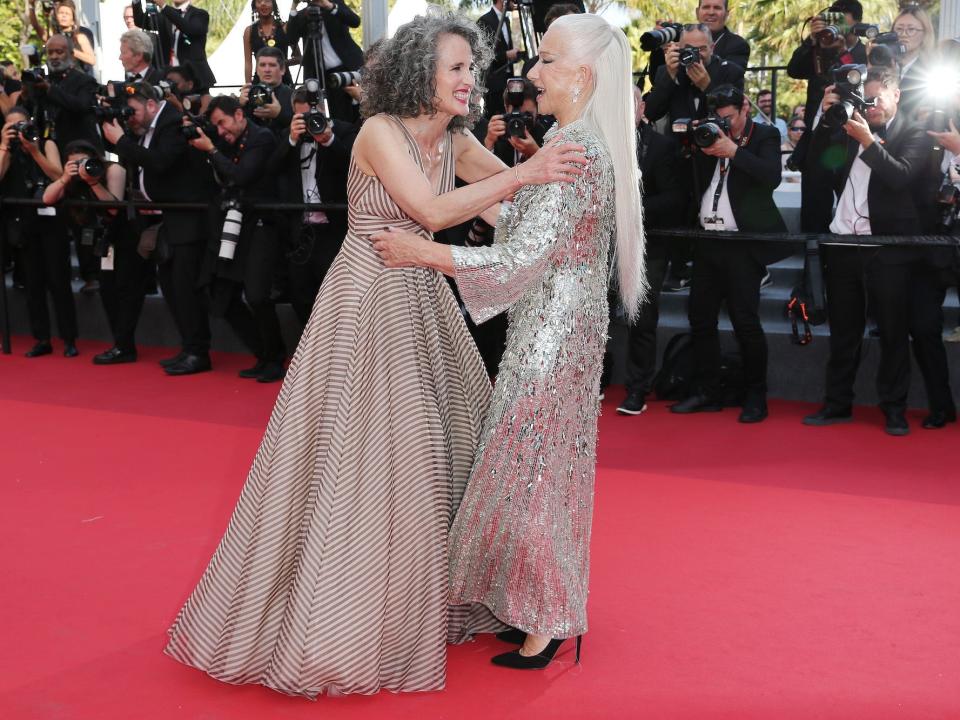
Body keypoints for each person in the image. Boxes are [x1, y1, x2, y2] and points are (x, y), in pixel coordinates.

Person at [164, 11, 585, 696]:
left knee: (454, 446)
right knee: (371, 456)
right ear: (420, 71)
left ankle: (452, 594)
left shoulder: (453, 136)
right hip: (367, 299)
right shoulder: (379, 132)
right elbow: (432, 210)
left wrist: (558, 211)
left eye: (470, 69)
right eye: (456, 68)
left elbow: (502, 208)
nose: (468, 80)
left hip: (424, 296)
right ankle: (351, 615)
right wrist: (524, 175)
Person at [372, 12, 643, 669]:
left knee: (534, 472)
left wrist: (422, 252)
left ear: (583, 74)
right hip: (555, 328)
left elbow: (516, 261)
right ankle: (533, 604)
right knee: (529, 468)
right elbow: (524, 223)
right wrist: (494, 180)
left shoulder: (575, 152)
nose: (532, 73)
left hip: (552, 336)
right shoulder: (572, 140)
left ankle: (546, 619)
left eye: (547, 61)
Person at [802, 69, 929, 436]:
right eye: (864, 100)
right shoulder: (846, 130)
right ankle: (837, 403)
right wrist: (825, 122)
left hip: (888, 249)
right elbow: (814, 170)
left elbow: (901, 175)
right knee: (844, 332)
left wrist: (869, 141)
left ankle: (894, 409)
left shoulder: (913, 133)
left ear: (896, 96)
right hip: (843, 246)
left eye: (875, 100)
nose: (869, 107)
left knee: (892, 332)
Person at [668, 84, 787, 423]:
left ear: (744, 107)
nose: (723, 125)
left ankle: (755, 395)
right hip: (708, 240)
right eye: (718, 119)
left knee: (745, 322)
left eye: (729, 118)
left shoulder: (764, 135)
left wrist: (732, 150)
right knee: (700, 319)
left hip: (742, 243)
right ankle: (708, 391)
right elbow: (690, 180)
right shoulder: (708, 132)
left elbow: (771, 177)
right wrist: (695, 144)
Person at [101, 82, 217, 375]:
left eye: (135, 111)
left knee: (185, 288)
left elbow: (161, 162)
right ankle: (189, 347)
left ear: (152, 105)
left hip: (189, 218)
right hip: (168, 219)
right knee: (170, 286)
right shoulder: (148, 128)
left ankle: (198, 352)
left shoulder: (173, 124)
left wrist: (121, 142)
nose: (131, 117)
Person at [615, 86, 685, 416]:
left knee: (641, 318)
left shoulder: (662, 146)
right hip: (602, 244)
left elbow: (675, 198)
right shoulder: (599, 144)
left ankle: (637, 389)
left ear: (642, 107)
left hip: (648, 246)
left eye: (630, 104)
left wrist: (632, 207)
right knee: (594, 314)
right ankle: (594, 383)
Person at [270, 85, 355, 328]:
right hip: (300, 231)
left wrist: (329, 140)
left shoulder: (345, 131)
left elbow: (355, 167)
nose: (309, 123)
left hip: (335, 230)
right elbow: (271, 169)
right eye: (302, 118)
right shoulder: (287, 136)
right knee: (301, 296)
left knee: (337, 299)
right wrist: (291, 139)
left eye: (313, 116)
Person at [0, 107, 76, 358]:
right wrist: (4, 147)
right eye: (12, 127)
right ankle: (42, 338)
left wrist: (34, 151)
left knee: (59, 282)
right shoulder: (5, 150)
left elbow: (59, 175)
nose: (18, 131)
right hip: (23, 223)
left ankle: (69, 338)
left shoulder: (46, 143)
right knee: (33, 284)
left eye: (21, 125)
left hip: (51, 222)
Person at [286, 0, 363, 121]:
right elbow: (290, 38)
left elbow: (355, 21)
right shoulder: (304, 14)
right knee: (332, 115)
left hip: (345, 67)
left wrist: (328, 5)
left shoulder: (334, 4)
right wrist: (294, 5)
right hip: (320, 73)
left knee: (353, 111)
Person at [132, 0, 217, 91]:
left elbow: (190, 29)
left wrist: (163, 6)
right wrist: (136, 2)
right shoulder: (165, 15)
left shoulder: (200, 14)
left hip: (194, 76)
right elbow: (141, 21)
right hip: (169, 76)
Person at [886, 5, 936, 122]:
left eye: (911, 29)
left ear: (925, 34)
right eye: (899, 29)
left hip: (914, 133)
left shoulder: (931, 69)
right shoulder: (883, 64)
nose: (904, 34)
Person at [478, 0, 522, 117]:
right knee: (496, 117)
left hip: (508, 78)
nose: (515, 2)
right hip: (494, 81)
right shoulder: (484, 20)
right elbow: (484, 55)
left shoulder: (506, 20)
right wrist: (506, 55)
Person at [30, 0, 97, 74]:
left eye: (67, 14)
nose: (64, 16)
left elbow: (92, 60)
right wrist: (31, 6)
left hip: (76, 78)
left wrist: (72, 51)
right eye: (61, 13)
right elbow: (36, 26)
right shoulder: (53, 36)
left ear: (73, 20)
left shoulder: (80, 37)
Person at [239, 46, 294, 135]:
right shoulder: (248, 94)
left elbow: (303, 127)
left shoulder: (293, 96)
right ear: (257, 69)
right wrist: (240, 106)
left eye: (272, 65)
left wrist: (280, 114)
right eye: (262, 65)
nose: (267, 70)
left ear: (282, 69)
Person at [243, 0, 299, 85]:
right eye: (259, 1)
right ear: (254, 6)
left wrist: (281, 63)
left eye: (267, 1)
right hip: (260, 82)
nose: (263, 4)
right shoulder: (249, 31)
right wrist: (248, 86)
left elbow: (299, 57)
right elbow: (248, 63)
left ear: (274, 5)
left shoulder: (285, 28)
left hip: (284, 81)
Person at [782, 114, 804, 180]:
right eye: (795, 129)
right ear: (789, 131)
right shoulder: (782, 149)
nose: (799, 132)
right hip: (788, 188)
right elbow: (789, 177)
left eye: (802, 129)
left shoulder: (811, 149)